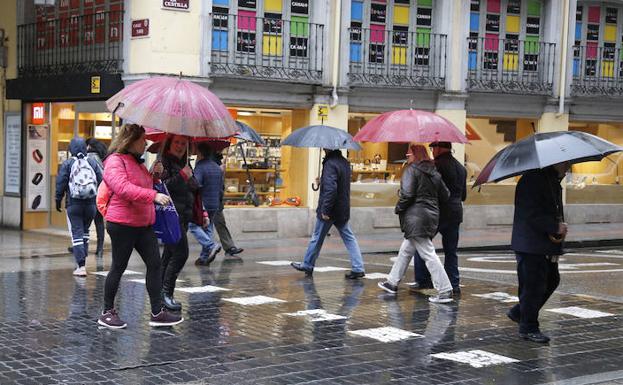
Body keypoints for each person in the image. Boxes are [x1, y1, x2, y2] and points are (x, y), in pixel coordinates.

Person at [98, 124, 183, 329]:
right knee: (119, 267)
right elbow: (123, 188)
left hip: (143, 223)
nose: (145, 143)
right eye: (142, 139)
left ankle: (157, 312)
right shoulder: (115, 161)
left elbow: (143, 185)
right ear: (131, 140)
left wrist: (153, 176)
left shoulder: (137, 163)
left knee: (154, 265)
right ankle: (107, 312)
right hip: (122, 224)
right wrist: (153, 195)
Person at [377, 144, 452, 303]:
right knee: (406, 250)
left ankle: (445, 290)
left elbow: (408, 194)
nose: (407, 157)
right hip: (430, 215)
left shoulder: (411, 170)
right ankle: (392, 282)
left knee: (427, 253)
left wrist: (399, 206)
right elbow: (446, 195)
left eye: (409, 154)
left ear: (415, 155)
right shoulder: (434, 172)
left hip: (416, 217)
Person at [506, 162, 569, 343]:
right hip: (530, 243)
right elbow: (530, 213)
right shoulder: (533, 180)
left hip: (543, 243)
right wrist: (554, 226)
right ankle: (528, 327)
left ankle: (520, 312)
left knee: (551, 280)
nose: (568, 166)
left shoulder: (551, 180)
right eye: (566, 163)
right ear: (555, 162)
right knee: (533, 286)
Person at [290, 149, 365, 279]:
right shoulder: (344, 162)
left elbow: (331, 189)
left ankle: (307, 264)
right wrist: (322, 181)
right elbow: (339, 184)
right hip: (342, 208)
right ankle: (358, 267)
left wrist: (325, 210)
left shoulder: (330, 163)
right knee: (349, 237)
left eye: (325, 147)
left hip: (330, 210)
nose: (323, 148)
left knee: (317, 237)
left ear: (329, 148)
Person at [411, 141, 467, 294]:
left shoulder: (436, 166)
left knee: (422, 246)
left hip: (438, 213)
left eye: (433, 148)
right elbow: (463, 196)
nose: (432, 151)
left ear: (439, 148)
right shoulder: (461, 168)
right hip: (455, 213)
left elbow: (431, 189)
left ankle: (423, 280)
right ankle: (454, 283)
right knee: (451, 251)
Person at [159, 135, 200, 311]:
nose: (180, 146)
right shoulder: (164, 162)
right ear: (169, 143)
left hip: (183, 216)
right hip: (171, 216)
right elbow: (163, 186)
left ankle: (159, 292)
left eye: (184, 143)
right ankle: (166, 293)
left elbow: (193, 187)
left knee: (168, 255)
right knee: (181, 254)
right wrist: (183, 175)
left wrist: (201, 211)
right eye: (177, 142)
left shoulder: (184, 162)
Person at [55, 137, 102, 277]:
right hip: (91, 205)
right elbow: (102, 180)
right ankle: (83, 261)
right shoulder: (92, 163)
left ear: (71, 149)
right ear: (85, 148)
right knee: (85, 232)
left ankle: (81, 266)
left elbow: (61, 183)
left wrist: (58, 200)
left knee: (77, 233)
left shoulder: (68, 163)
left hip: (74, 204)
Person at [193, 143, 224, 265]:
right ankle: (204, 257)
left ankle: (211, 246)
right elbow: (221, 187)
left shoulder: (200, 167)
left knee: (193, 225)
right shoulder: (217, 167)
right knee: (208, 228)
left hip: (203, 203)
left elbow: (197, 186)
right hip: (214, 203)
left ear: (200, 153)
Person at [213, 150, 244, 257]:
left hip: (217, 198)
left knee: (220, 223)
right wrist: (219, 171)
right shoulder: (210, 161)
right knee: (199, 226)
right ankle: (208, 248)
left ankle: (229, 247)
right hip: (210, 199)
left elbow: (220, 183)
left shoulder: (219, 161)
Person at [86, 137, 108, 259]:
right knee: (99, 222)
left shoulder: (88, 158)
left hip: (89, 194)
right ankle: (99, 249)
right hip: (101, 194)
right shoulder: (103, 158)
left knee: (85, 222)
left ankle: (81, 246)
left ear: (89, 146)